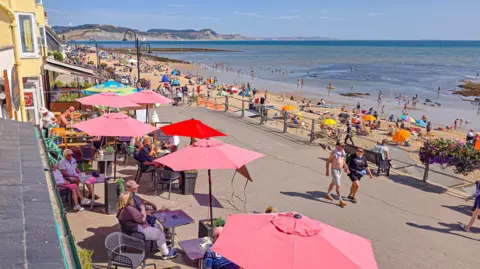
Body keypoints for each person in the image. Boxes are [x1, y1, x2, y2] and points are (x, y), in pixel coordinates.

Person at [116, 192, 177, 259]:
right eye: (131, 198)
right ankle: (166, 254)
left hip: (129, 230)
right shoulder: (129, 209)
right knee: (161, 234)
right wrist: (143, 208)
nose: (132, 199)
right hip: (137, 232)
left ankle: (161, 245)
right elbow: (143, 219)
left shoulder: (121, 209)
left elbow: (137, 218)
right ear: (128, 200)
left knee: (156, 225)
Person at [325, 141, 350, 207]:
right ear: (338, 146)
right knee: (338, 186)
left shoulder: (342, 152)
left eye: (344, 146)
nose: (343, 147)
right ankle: (340, 200)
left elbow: (342, 160)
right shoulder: (333, 153)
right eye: (342, 146)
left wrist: (346, 168)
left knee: (333, 182)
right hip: (334, 170)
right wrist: (327, 171)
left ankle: (328, 194)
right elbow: (327, 162)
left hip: (339, 170)